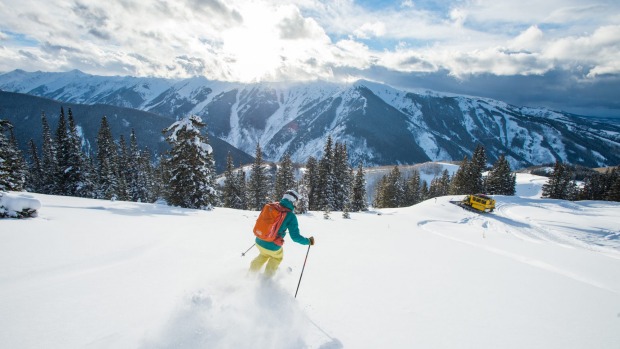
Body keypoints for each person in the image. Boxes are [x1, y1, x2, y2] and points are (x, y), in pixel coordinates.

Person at [249, 189, 314, 278]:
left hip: (259, 240)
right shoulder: (291, 216)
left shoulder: (272, 207)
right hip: (272, 246)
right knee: (277, 258)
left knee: (263, 255)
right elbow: (295, 237)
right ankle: (265, 281)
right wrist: (308, 241)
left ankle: (250, 274)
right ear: (293, 202)